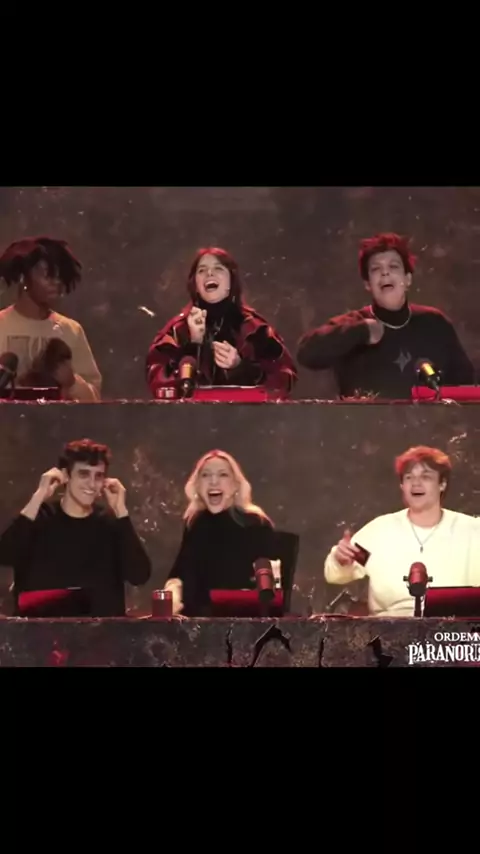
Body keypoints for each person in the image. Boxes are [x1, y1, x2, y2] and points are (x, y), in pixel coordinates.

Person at [297, 232, 475, 398]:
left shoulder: (434, 324)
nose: (385, 272)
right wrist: (361, 331)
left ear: (407, 279)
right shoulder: (354, 324)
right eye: (376, 269)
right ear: (368, 284)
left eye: (393, 266)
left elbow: (466, 385)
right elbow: (306, 353)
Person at [0, 439, 151, 616]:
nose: (91, 484)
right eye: (84, 474)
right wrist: (39, 496)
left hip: (102, 631)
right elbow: (4, 555)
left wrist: (121, 511)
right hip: (41, 630)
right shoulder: (39, 518)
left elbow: (139, 575)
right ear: (65, 475)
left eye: (98, 476)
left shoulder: (110, 524)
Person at [323, 446, 480, 617]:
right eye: (409, 477)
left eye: (425, 477)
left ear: (442, 484)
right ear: (402, 486)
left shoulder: (472, 531)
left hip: (454, 629)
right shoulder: (379, 532)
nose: (416, 483)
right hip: (388, 628)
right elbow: (335, 574)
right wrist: (341, 560)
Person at [146, 247, 297, 398]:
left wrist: (240, 367)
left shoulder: (255, 330)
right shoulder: (177, 330)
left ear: (231, 281)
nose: (209, 273)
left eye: (218, 268)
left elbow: (282, 382)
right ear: (195, 285)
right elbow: (160, 386)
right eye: (202, 270)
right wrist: (193, 345)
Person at [164, 450, 277, 616]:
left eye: (223, 474)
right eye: (206, 475)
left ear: (236, 485)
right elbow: (180, 574)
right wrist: (173, 592)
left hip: (242, 622)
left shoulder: (256, 524)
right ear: (197, 486)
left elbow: (270, 588)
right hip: (196, 623)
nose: (213, 481)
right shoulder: (195, 523)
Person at [0, 236, 102, 401]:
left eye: (59, 276)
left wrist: (72, 383)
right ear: (24, 277)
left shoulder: (71, 331)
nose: (56, 282)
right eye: (47, 275)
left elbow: (95, 401)